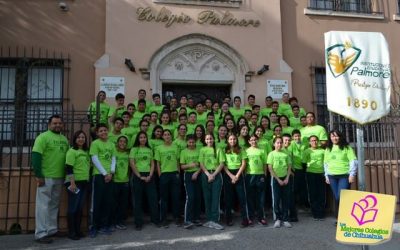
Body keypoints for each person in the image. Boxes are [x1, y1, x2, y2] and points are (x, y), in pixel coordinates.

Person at [32, 115, 69, 243]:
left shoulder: (64, 139)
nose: (57, 125)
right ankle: (41, 233)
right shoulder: (42, 137)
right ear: (49, 125)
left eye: (59, 123)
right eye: (55, 123)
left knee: (54, 204)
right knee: (42, 206)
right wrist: (38, 175)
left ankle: (52, 230)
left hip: (59, 177)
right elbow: (36, 156)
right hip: (46, 177)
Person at [324, 129, 357, 224]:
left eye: (336, 136)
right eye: (332, 136)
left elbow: (353, 161)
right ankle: (341, 219)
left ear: (340, 136)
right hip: (332, 176)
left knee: (340, 196)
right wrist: (326, 176)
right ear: (330, 138)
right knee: (337, 197)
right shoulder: (328, 149)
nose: (334, 138)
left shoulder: (347, 148)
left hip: (344, 176)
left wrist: (352, 174)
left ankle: (345, 218)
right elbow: (325, 163)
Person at [89, 123, 116, 237]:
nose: (104, 132)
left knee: (107, 201)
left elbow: (114, 158)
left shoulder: (111, 144)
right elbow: (94, 159)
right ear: (97, 133)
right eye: (101, 131)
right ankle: (95, 226)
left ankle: (105, 226)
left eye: (105, 130)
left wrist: (111, 172)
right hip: (99, 176)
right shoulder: (95, 143)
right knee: (97, 202)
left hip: (110, 176)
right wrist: (105, 173)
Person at [130, 131, 160, 230]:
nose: (143, 139)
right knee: (138, 200)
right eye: (141, 137)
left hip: (149, 176)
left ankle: (155, 220)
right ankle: (138, 223)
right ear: (138, 139)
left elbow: (152, 164)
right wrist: (139, 176)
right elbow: (132, 164)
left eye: (144, 137)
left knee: (153, 199)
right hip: (138, 176)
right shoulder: (134, 149)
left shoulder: (149, 150)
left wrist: (150, 175)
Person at [64, 130, 90, 240]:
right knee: (73, 208)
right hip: (74, 183)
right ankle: (71, 232)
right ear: (75, 139)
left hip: (84, 183)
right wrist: (72, 183)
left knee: (79, 208)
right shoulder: (72, 151)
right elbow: (69, 168)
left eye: (83, 137)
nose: (81, 139)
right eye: (79, 137)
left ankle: (78, 230)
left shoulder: (85, 151)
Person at [155, 129, 181, 227]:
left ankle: (176, 217)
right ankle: (164, 219)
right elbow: (157, 163)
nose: (167, 136)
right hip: (164, 175)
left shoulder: (175, 147)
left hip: (174, 174)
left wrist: (178, 172)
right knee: (164, 198)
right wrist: (160, 175)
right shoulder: (159, 148)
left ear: (171, 136)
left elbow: (178, 161)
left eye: (168, 134)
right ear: (162, 137)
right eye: (165, 135)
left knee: (176, 197)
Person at [222, 134, 250, 227]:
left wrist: (237, 176)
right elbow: (223, 165)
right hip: (228, 174)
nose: (232, 140)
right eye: (230, 139)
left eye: (234, 139)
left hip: (239, 173)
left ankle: (245, 219)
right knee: (228, 198)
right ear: (227, 140)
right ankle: (228, 219)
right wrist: (231, 176)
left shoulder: (241, 149)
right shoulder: (224, 150)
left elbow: (244, 163)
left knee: (242, 198)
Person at [199, 133, 225, 230]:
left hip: (216, 175)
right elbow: (201, 163)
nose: (209, 140)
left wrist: (213, 175)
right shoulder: (202, 150)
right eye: (207, 139)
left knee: (215, 198)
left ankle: (215, 220)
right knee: (207, 198)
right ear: (205, 140)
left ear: (214, 140)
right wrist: (208, 174)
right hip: (205, 175)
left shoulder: (218, 149)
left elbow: (222, 163)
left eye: (211, 139)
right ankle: (209, 220)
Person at [267, 136, 292, 228]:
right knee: (276, 199)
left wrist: (287, 178)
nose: (279, 144)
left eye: (281, 142)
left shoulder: (286, 154)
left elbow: (289, 167)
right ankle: (278, 218)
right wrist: (278, 179)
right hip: (275, 179)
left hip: (285, 178)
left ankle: (285, 219)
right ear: (274, 144)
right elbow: (270, 168)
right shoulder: (271, 154)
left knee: (285, 199)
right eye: (277, 143)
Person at [180, 135, 202, 229]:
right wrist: (191, 165)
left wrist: (196, 173)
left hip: (197, 174)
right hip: (188, 175)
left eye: (193, 142)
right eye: (190, 142)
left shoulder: (199, 151)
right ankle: (187, 220)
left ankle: (196, 218)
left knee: (198, 197)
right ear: (187, 142)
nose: (192, 144)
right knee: (191, 197)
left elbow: (201, 164)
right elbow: (182, 166)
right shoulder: (183, 152)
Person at [245, 135, 268, 226]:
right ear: (249, 141)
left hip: (260, 176)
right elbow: (244, 164)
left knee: (260, 198)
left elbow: (265, 163)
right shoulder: (246, 151)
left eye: (255, 140)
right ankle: (250, 217)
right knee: (250, 197)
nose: (253, 141)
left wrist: (264, 174)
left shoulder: (262, 151)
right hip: (250, 175)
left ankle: (261, 217)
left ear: (257, 140)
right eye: (252, 140)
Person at [302, 135, 326, 220]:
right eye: (312, 141)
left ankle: (321, 213)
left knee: (321, 193)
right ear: (309, 142)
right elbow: (304, 164)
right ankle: (315, 213)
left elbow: (326, 163)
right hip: (310, 174)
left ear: (318, 141)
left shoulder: (323, 151)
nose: (314, 142)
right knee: (312, 193)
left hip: (321, 174)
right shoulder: (306, 151)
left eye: (315, 140)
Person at [112, 135, 130, 230]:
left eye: (124, 142)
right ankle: (113, 222)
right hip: (115, 181)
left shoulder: (128, 154)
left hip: (125, 181)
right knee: (115, 203)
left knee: (123, 203)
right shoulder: (114, 153)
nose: (122, 143)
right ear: (117, 143)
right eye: (121, 141)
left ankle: (120, 222)